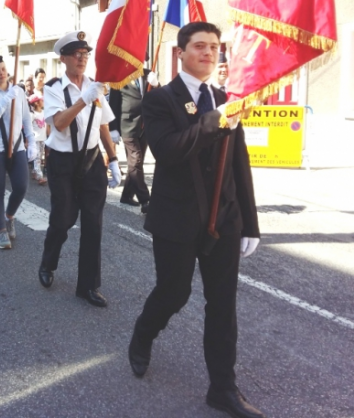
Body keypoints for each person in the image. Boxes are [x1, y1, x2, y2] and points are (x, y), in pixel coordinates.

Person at [128, 22, 263, 418]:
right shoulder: (159, 100)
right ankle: (143, 334)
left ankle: (222, 388)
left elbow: (240, 164)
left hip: (224, 218)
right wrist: (216, 120)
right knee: (174, 293)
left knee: (222, 305)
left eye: (215, 47)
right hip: (177, 218)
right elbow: (170, 151)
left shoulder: (223, 98)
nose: (209, 53)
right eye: (200, 46)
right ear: (181, 52)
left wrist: (250, 223)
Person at [38, 31, 121, 307]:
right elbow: (59, 123)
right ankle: (48, 262)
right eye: (77, 54)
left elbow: (103, 124)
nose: (82, 59)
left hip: (92, 161)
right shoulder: (53, 88)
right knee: (63, 219)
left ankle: (88, 286)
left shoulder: (95, 86)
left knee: (93, 224)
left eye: (85, 54)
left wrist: (113, 158)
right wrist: (83, 99)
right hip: (62, 162)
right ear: (63, 58)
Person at [0, 55, 37, 249]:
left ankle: (9, 216)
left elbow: (26, 119)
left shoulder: (18, 91)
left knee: (21, 187)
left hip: (17, 147)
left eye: (3, 69)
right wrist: (6, 99)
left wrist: (32, 142)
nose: (2, 73)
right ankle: (1, 231)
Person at [108, 68, 159, 212]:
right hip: (127, 126)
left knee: (136, 163)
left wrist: (156, 84)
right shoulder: (118, 77)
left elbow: (159, 97)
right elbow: (113, 103)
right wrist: (113, 128)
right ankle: (146, 200)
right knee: (135, 160)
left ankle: (126, 195)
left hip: (144, 125)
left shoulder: (148, 73)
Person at [28, 94, 47, 184]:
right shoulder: (32, 115)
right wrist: (27, 140)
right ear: (37, 103)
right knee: (37, 157)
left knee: (39, 156)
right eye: (41, 100)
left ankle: (34, 172)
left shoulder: (44, 113)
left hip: (43, 138)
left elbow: (47, 126)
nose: (43, 102)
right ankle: (40, 176)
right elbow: (28, 128)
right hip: (35, 139)